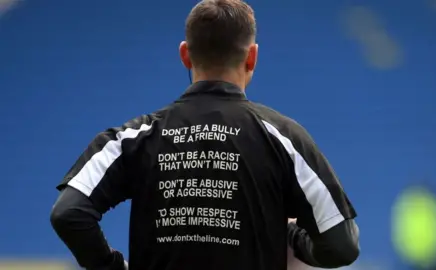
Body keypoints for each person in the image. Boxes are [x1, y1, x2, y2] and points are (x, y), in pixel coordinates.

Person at [50, 0, 360, 269]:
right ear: (251, 57)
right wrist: (291, 234)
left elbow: (69, 213)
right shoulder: (284, 139)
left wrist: (110, 267)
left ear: (185, 55)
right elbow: (341, 246)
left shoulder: (135, 138)